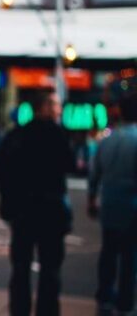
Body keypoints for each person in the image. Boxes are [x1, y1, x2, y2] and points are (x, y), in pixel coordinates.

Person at [0, 90, 75, 316]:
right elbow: (70, 165)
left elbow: (3, 174)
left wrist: (7, 204)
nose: (59, 110)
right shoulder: (57, 135)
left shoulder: (16, 136)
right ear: (45, 107)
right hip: (51, 212)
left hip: (22, 213)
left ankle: (19, 310)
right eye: (56, 105)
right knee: (50, 270)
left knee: (20, 268)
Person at [89, 94, 137, 314]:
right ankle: (125, 302)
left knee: (108, 253)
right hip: (132, 206)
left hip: (109, 204)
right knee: (130, 257)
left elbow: (94, 174)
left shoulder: (107, 140)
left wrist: (92, 199)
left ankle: (104, 297)